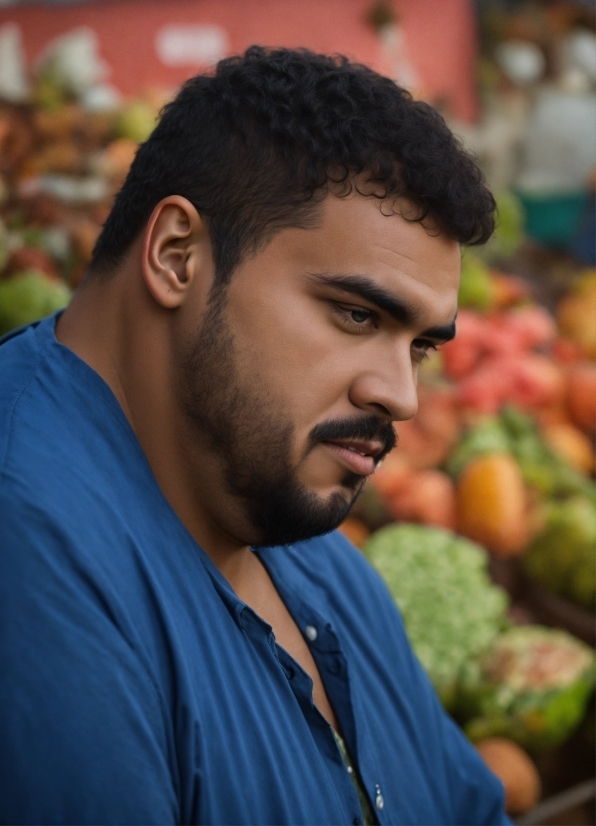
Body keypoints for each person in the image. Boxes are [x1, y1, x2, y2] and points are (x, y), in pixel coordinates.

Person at [0, 47, 511, 825]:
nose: (402, 397)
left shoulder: (300, 531)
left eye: (420, 347)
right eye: (356, 315)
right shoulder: (30, 549)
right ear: (176, 255)